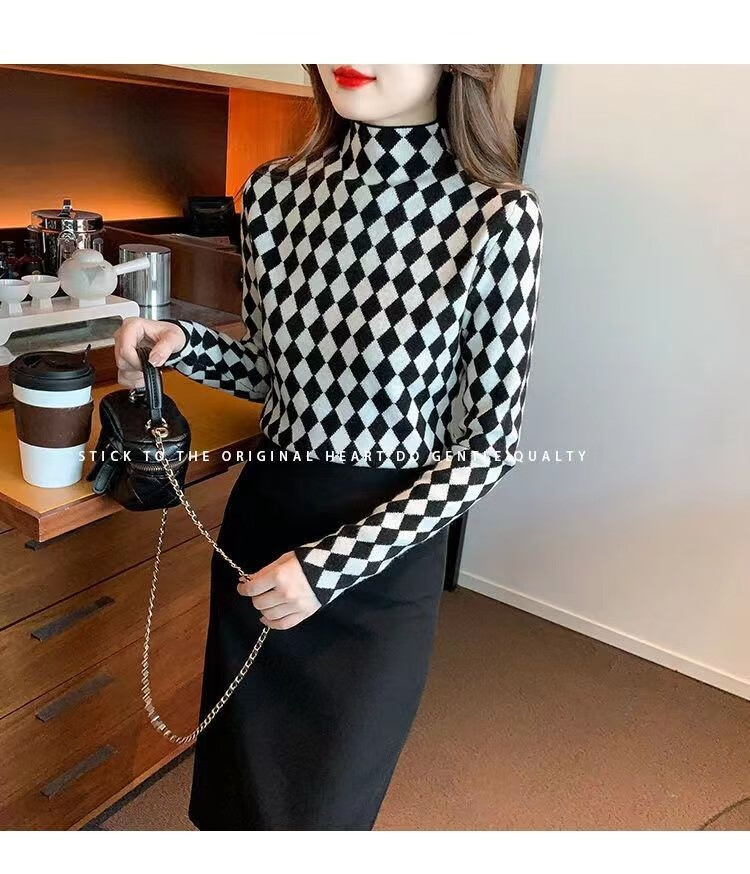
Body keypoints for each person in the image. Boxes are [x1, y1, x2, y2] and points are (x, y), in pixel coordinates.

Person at [114, 63, 544, 830]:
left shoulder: (497, 216)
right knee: (236, 802)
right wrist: (184, 343)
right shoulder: (274, 193)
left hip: (383, 550)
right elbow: (273, 372)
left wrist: (330, 567)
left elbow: (490, 444)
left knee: (323, 813)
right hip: (265, 524)